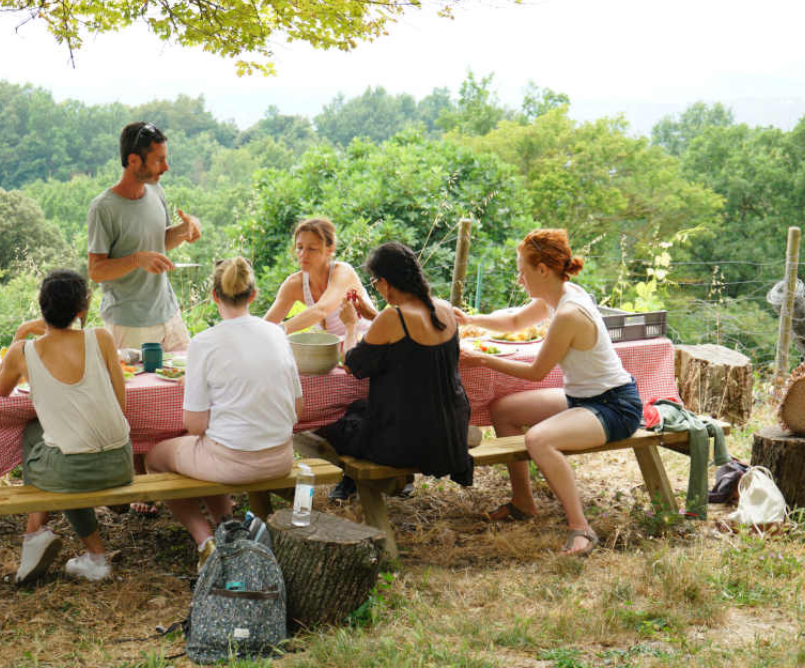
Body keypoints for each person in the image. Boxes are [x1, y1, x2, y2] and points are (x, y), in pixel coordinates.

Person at [456, 229, 642, 555]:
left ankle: (581, 529)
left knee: (539, 439)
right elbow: (514, 321)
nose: (519, 279)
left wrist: (480, 358)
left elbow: (536, 372)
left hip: (615, 406)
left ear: (542, 270)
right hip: (583, 400)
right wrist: (469, 319)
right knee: (505, 409)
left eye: (522, 271)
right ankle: (523, 502)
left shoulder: (569, 312)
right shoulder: (556, 295)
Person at [145, 257, 302, 569]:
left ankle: (206, 542)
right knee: (207, 449)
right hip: (282, 457)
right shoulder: (277, 334)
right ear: (253, 295)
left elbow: (194, 426)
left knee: (154, 458)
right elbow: (298, 409)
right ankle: (229, 528)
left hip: (232, 463)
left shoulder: (204, 343)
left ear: (215, 296)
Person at [0, 269, 134, 583]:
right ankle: (73, 549)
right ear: (81, 311)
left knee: (46, 444)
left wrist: (21, 332)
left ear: (42, 307)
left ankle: (36, 537)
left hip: (74, 471)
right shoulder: (101, 338)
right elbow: (119, 405)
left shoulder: (24, 351)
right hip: (122, 462)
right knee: (58, 444)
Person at [319, 242, 474, 503]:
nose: (376, 289)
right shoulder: (445, 308)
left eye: (375, 282)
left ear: (386, 282)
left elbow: (351, 364)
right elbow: (409, 346)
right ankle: (358, 483)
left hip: (407, 441)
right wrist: (375, 315)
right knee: (360, 409)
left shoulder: (393, 318)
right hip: (449, 433)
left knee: (334, 427)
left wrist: (350, 325)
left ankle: (357, 483)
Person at [87, 121, 202, 353]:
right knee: (138, 388)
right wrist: (136, 259)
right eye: (159, 160)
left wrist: (185, 229)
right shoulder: (103, 208)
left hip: (168, 314)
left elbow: (159, 243)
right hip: (129, 324)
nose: (166, 167)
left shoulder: (155, 191)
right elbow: (96, 270)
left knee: (188, 381)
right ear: (133, 161)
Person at [264, 217, 376, 337]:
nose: (303, 254)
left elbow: (321, 310)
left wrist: (279, 330)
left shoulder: (343, 272)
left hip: (371, 343)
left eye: (312, 249)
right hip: (339, 351)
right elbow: (265, 325)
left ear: (330, 249)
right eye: (300, 247)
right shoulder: (294, 284)